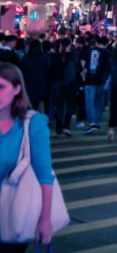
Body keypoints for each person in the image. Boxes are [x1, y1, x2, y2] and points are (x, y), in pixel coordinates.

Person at [0, 62, 57, 251]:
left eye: (1, 87)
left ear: (17, 89)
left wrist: (45, 219)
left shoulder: (32, 123)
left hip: (12, 215)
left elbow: (44, 174)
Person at [81, 37, 110, 134]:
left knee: (89, 102)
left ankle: (92, 122)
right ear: (106, 44)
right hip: (101, 81)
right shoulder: (107, 53)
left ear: (97, 43)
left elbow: (83, 64)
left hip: (89, 80)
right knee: (99, 102)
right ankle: (96, 121)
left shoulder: (89, 51)